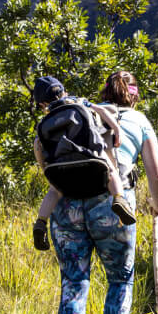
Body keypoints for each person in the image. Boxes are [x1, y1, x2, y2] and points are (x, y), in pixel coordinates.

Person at [48, 70, 158, 314]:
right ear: (134, 95)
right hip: (112, 206)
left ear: (105, 91)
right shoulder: (139, 120)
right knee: (119, 279)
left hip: (67, 207)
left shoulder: (81, 114)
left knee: (74, 283)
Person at [32, 77, 135, 254]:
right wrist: (116, 130)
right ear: (63, 90)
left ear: (42, 103)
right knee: (111, 171)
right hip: (90, 157)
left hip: (59, 166)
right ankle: (118, 198)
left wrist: (49, 170)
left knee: (53, 190)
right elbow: (102, 111)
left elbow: (40, 151)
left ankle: (41, 221)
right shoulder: (79, 101)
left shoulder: (48, 116)